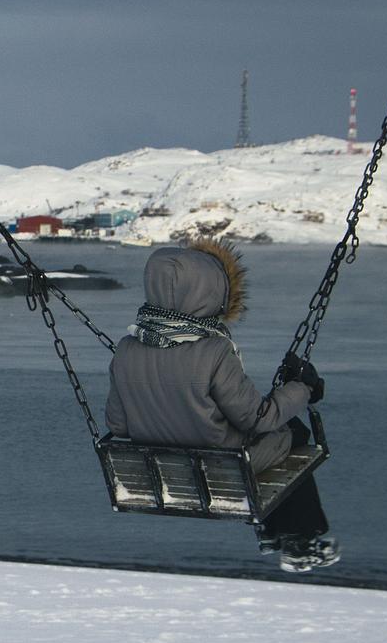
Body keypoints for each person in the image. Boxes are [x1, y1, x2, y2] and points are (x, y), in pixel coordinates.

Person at [104, 239, 339, 572]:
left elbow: (118, 426)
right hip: (221, 468)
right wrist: (302, 388)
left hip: (158, 470)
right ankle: (299, 540)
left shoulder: (127, 348)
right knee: (293, 433)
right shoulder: (214, 351)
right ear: (211, 291)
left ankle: (273, 532)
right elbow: (258, 418)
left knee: (274, 436)